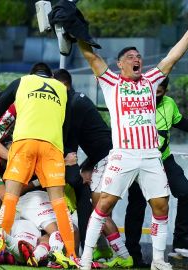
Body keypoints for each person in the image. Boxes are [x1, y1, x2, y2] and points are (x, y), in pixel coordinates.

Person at [77, 13, 188, 270]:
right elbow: (92, 57)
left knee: (161, 205)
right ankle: (86, 258)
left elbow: (172, 57)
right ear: (120, 64)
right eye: (131, 58)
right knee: (103, 204)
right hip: (123, 155)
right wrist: (77, 33)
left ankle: (158, 260)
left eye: (139, 57)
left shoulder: (150, 81)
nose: (137, 60)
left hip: (151, 155)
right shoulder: (111, 82)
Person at [0, 62, 78, 265]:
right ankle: (72, 255)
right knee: (58, 203)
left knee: (10, 199)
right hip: (52, 146)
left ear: (32, 74)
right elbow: (67, 122)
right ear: (50, 76)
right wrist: (63, 148)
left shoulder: (22, 82)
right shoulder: (61, 88)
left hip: (24, 143)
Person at [125, 76, 188, 266]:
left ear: (165, 91)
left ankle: (182, 238)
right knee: (137, 206)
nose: (155, 95)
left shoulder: (169, 104)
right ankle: (133, 254)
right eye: (152, 91)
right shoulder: (135, 103)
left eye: (160, 92)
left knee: (186, 193)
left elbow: (182, 123)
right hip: (140, 163)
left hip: (164, 160)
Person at [53, 69, 135, 268]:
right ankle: (105, 250)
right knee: (99, 209)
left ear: (63, 86)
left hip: (107, 157)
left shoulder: (72, 104)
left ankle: (124, 257)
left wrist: (84, 165)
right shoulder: (77, 101)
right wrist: (87, 165)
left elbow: (72, 141)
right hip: (106, 156)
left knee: (100, 211)